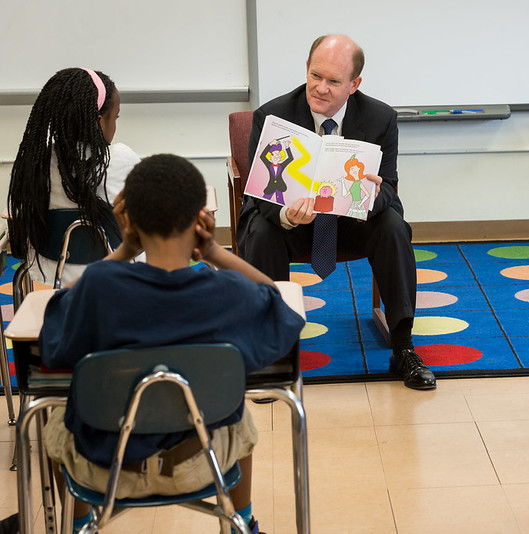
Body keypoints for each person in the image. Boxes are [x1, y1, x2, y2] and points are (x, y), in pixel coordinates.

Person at [40, 154, 305, 534]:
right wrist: (214, 251)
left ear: (127, 219)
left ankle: (81, 523)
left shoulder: (99, 288)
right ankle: (241, 523)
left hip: (103, 469)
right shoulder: (227, 293)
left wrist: (123, 250)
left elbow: (55, 319)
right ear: (202, 219)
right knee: (240, 416)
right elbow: (277, 305)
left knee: (52, 416)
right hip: (200, 464)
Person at [236, 34, 435, 390]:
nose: (320, 88)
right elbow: (262, 195)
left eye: (333, 81)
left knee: (393, 226)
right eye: (315, 76)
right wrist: (286, 215)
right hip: (289, 222)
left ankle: (402, 346)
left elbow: (389, 186)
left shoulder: (380, 118)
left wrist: (369, 199)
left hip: (352, 221)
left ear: (354, 85)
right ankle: (273, 352)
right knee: (262, 230)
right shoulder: (272, 116)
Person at [8, 67, 140, 286]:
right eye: (114, 117)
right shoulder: (122, 159)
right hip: (118, 273)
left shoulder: (37, 162)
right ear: (99, 121)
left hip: (53, 275)